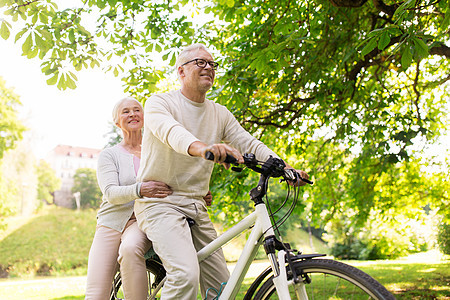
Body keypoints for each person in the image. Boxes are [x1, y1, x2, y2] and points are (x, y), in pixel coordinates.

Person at [134, 43, 309, 300]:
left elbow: (249, 142)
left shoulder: (219, 113)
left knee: (223, 288)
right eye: (200, 62)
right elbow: (172, 133)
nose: (208, 68)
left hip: (196, 205)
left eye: (212, 64)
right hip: (160, 203)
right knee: (185, 275)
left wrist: (285, 167)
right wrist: (205, 149)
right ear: (181, 71)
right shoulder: (160, 103)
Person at [85, 97, 174, 300]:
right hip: (110, 223)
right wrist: (140, 189)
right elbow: (110, 193)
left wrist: (198, 192)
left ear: (144, 116)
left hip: (142, 220)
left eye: (137, 110)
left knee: (130, 249)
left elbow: (174, 180)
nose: (132, 114)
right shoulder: (109, 155)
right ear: (117, 121)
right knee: (96, 293)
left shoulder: (157, 151)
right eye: (126, 111)